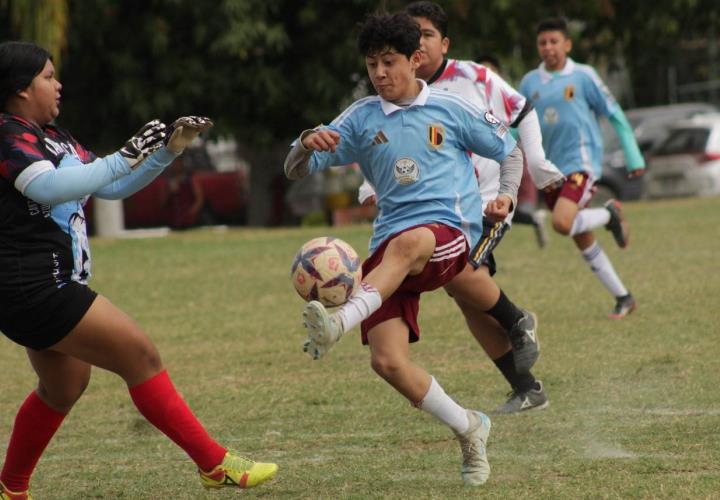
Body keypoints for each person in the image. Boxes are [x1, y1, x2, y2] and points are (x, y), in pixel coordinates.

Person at [0, 41, 277, 500]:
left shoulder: (58, 136)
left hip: (40, 286)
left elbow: (111, 186)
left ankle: (11, 488)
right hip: (34, 286)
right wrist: (119, 157)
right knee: (141, 356)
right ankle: (214, 464)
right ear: (19, 88)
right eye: (49, 76)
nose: (58, 84)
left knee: (65, 385)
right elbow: (46, 187)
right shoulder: (8, 135)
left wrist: (167, 152)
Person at [285, 12, 524, 486]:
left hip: (447, 236)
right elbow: (296, 169)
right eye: (371, 64)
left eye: (389, 62)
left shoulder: (453, 109)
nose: (379, 74)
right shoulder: (359, 117)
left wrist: (509, 194)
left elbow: (510, 150)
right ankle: (469, 427)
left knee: (414, 240)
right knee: (387, 362)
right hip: (391, 251)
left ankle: (338, 321)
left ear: (416, 60)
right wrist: (304, 143)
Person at [358, 1, 559, 413]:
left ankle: (518, 320)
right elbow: (385, 145)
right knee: (465, 296)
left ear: (442, 43)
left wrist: (532, 169)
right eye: (411, 35)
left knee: (459, 273)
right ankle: (526, 386)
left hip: (482, 204)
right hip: (432, 213)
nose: (419, 42)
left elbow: (522, 112)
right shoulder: (393, 95)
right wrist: (368, 184)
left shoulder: (473, 77)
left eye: (427, 34)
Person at [519, 17, 645, 318]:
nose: (548, 48)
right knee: (581, 236)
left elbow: (613, 113)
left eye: (554, 41)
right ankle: (623, 296)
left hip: (581, 162)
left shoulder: (584, 76)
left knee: (562, 223)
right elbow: (517, 124)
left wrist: (633, 155)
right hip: (549, 169)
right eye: (542, 43)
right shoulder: (529, 82)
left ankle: (609, 213)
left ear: (567, 44)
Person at [475, 53, 549, 249]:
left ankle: (534, 218)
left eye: (491, 71)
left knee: (503, 209)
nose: (487, 76)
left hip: (509, 163)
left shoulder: (507, 102)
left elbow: (518, 131)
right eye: (482, 71)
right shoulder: (468, 103)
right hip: (483, 169)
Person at [163, 158, 206, 229]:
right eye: (174, 163)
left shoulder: (191, 179)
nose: (176, 166)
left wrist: (191, 213)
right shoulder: (169, 181)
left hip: (189, 216)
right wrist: (169, 191)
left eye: (178, 163)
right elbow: (162, 202)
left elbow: (200, 200)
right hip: (174, 216)